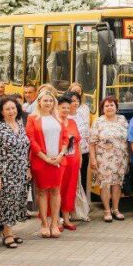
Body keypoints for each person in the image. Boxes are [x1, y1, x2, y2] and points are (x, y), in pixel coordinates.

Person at [0, 96, 30, 248]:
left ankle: (9, 230)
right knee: (7, 202)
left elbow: (25, 149)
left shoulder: (20, 124)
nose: (11, 111)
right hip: (5, 171)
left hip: (20, 170)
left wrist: (28, 168)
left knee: (17, 201)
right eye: (7, 109)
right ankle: (7, 233)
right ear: (1, 112)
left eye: (13, 108)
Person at [27, 88, 65, 238]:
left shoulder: (58, 117)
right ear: (39, 102)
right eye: (45, 100)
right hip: (41, 161)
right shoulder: (32, 118)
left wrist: (61, 154)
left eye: (51, 100)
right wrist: (45, 157)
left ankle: (55, 223)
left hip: (58, 161)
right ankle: (44, 223)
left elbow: (65, 138)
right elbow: (31, 140)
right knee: (42, 192)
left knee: (56, 191)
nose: (48, 103)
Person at [89, 95, 128, 223]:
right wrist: (93, 159)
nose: (109, 107)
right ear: (102, 108)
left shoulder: (122, 120)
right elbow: (92, 142)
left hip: (120, 158)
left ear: (116, 107)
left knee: (117, 184)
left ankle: (115, 209)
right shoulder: (98, 121)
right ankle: (106, 210)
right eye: (106, 106)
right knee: (105, 184)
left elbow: (128, 138)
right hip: (103, 159)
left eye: (112, 105)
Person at [56, 93, 82, 231]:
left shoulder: (72, 122)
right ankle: (56, 220)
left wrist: (81, 159)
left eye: (68, 107)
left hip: (73, 160)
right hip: (60, 160)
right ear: (57, 108)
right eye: (63, 108)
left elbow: (78, 141)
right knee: (57, 190)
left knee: (70, 189)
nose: (66, 110)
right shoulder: (55, 122)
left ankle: (66, 218)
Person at [69, 83, 92, 189]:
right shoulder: (66, 112)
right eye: (74, 91)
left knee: (82, 175)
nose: (75, 102)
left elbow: (86, 126)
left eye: (79, 92)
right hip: (72, 149)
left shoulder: (85, 108)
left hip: (84, 148)